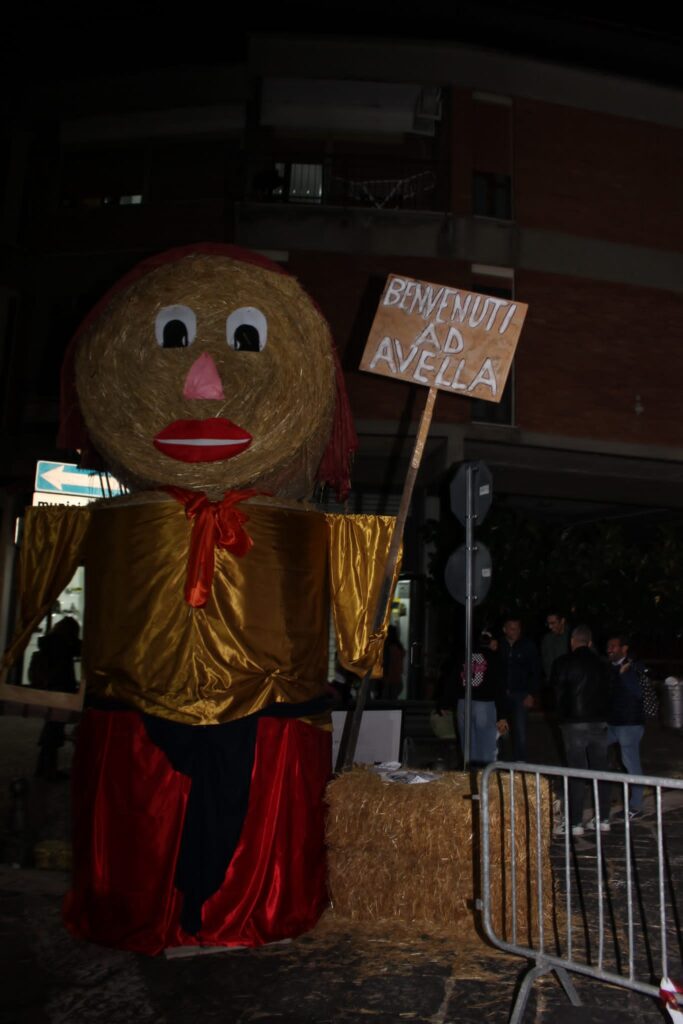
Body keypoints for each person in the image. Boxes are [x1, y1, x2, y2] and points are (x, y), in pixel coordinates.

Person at [551, 624, 611, 836]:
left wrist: (561, 718)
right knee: (600, 770)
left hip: (574, 722)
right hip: (599, 722)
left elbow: (557, 695)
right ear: (590, 642)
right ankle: (603, 818)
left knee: (576, 771)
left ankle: (575, 822)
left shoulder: (563, 663)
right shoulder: (604, 664)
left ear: (572, 642)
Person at [32, 616, 81, 781]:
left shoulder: (50, 643)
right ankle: (48, 770)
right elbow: (81, 649)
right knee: (54, 730)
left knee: (51, 728)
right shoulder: (64, 645)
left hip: (51, 689)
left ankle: (43, 768)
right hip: (60, 691)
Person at [455, 631, 508, 766]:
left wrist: (445, 702)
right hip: (484, 704)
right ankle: (484, 781)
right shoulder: (494, 658)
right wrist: (502, 714)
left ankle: (470, 777)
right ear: (492, 642)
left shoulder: (464, 656)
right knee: (486, 749)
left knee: (467, 748)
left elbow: (452, 679)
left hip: (463, 703)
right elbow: (499, 687)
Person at [606, 634, 645, 819]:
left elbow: (638, 693)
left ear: (624, 648)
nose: (610, 649)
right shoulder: (610, 668)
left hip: (630, 723)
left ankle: (636, 805)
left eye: (614, 645)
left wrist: (625, 675)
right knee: (596, 747)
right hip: (613, 722)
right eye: (608, 646)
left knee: (631, 762)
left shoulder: (633, 667)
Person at [499, 617, 540, 761]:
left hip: (520, 694)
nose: (515, 631)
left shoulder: (528, 645)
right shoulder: (499, 645)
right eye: (511, 628)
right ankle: (500, 761)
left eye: (517, 628)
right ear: (504, 629)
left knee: (520, 730)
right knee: (500, 729)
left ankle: (520, 763)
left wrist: (531, 694)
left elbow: (535, 671)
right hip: (501, 694)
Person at [541, 610, 570, 683]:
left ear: (562, 621)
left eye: (553, 623)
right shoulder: (547, 639)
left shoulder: (573, 635)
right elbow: (546, 662)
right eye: (548, 624)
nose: (550, 627)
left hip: (571, 681)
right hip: (554, 683)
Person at [378, 625, 405, 700]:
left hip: (388, 679)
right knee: (393, 700)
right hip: (397, 678)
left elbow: (386, 664)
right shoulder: (398, 648)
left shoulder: (388, 648)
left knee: (387, 701)